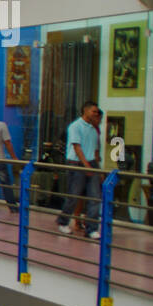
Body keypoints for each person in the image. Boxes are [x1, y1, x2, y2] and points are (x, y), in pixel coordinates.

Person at [57, 101, 102, 236]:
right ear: (86, 111)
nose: (96, 114)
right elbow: (77, 147)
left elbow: (95, 152)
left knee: (95, 197)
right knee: (73, 196)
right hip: (77, 164)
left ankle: (92, 228)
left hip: (91, 163)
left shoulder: (94, 129)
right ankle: (63, 221)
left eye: (97, 112)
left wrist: (97, 169)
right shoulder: (75, 126)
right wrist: (86, 166)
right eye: (94, 111)